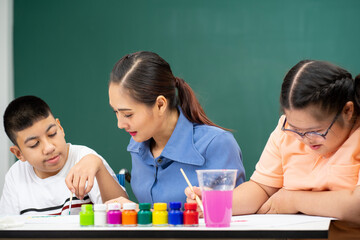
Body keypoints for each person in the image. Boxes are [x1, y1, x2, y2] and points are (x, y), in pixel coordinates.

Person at [186, 60, 360, 226]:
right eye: (295, 128)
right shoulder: (285, 132)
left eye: (315, 131)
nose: (304, 139)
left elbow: (356, 206)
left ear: (347, 111)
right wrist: (214, 203)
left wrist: (293, 200)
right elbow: (261, 188)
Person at [107, 51, 245, 204]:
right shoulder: (137, 146)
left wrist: (140, 213)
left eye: (128, 114)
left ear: (160, 105)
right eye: (115, 112)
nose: (120, 124)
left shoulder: (216, 145)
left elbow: (225, 217)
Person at [0, 96, 127, 215]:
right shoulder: (15, 176)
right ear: (19, 153)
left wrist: (99, 167)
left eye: (52, 133)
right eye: (34, 144)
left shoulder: (86, 159)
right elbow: (7, 228)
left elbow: (121, 213)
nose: (49, 148)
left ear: (60, 128)